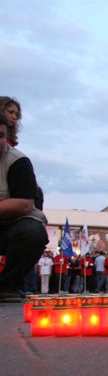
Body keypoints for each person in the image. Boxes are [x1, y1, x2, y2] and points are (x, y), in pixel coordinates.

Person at [0, 107, 48, 302]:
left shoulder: (18, 161)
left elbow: (24, 205)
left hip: (11, 226)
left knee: (33, 232)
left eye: (1, 135)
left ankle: (7, 287)